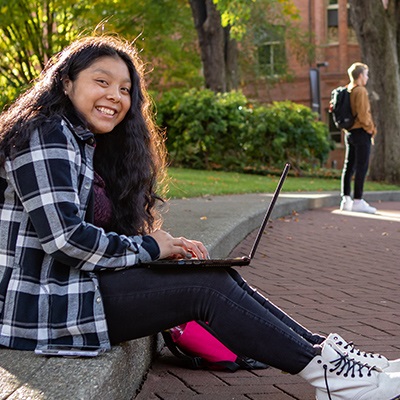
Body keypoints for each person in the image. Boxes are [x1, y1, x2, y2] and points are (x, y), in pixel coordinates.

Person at [0, 35, 399, 400]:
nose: (115, 97)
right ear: (67, 82)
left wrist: (158, 248)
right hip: (42, 306)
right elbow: (66, 239)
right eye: (101, 82)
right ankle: (334, 375)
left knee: (213, 275)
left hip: (72, 289)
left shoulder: (83, 141)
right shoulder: (44, 133)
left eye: (125, 89)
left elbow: (92, 232)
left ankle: (332, 361)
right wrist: (148, 247)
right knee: (203, 288)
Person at [340, 62, 377, 214]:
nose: (367, 78)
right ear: (360, 75)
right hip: (361, 132)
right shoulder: (360, 91)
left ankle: (346, 199)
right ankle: (358, 200)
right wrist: (371, 129)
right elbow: (363, 115)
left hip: (350, 133)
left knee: (349, 166)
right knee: (362, 166)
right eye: (366, 74)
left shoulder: (348, 89)